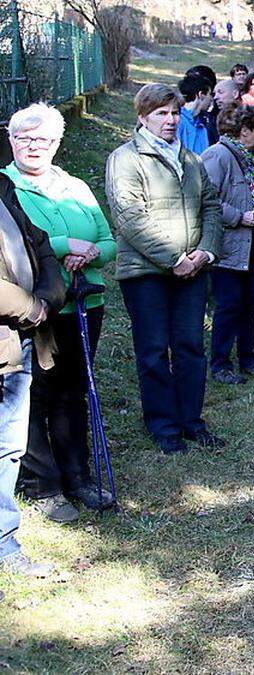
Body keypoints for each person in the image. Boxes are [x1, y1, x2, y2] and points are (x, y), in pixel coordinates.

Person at [1, 104, 112, 523]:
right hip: (34, 307)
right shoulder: (6, 188)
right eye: (25, 137)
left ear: (57, 144)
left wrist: (94, 252)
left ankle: (77, 476)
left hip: (86, 301)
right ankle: (42, 486)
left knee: (72, 391)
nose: (34, 146)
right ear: (11, 140)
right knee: (35, 394)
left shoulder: (76, 186)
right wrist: (69, 246)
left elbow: (108, 241)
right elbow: (30, 244)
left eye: (43, 139)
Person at [104, 83, 225, 456]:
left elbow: (211, 207)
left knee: (190, 347)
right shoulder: (125, 159)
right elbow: (130, 217)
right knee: (154, 350)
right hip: (146, 272)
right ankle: (163, 426)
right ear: (142, 117)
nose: (170, 120)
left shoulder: (189, 159)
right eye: (161, 113)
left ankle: (191, 421)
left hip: (193, 268)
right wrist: (175, 259)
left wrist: (205, 252)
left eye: (174, 113)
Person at [0, 139, 65, 578]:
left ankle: (4, 543)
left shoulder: (2, 189)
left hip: (18, 340)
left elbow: (39, 244)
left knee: (8, 445)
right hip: (14, 325)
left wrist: (50, 295)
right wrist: (31, 307)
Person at [201, 104, 254, 385]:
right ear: (244, 131)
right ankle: (220, 363)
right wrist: (240, 217)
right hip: (227, 248)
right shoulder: (217, 155)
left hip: (247, 245)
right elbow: (207, 200)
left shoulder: (244, 157)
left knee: (248, 302)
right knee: (228, 305)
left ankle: (247, 357)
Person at [178, 74, 214, 155]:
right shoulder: (177, 121)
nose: (211, 99)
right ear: (201, 94)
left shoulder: (202, 123)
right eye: (210, 94)